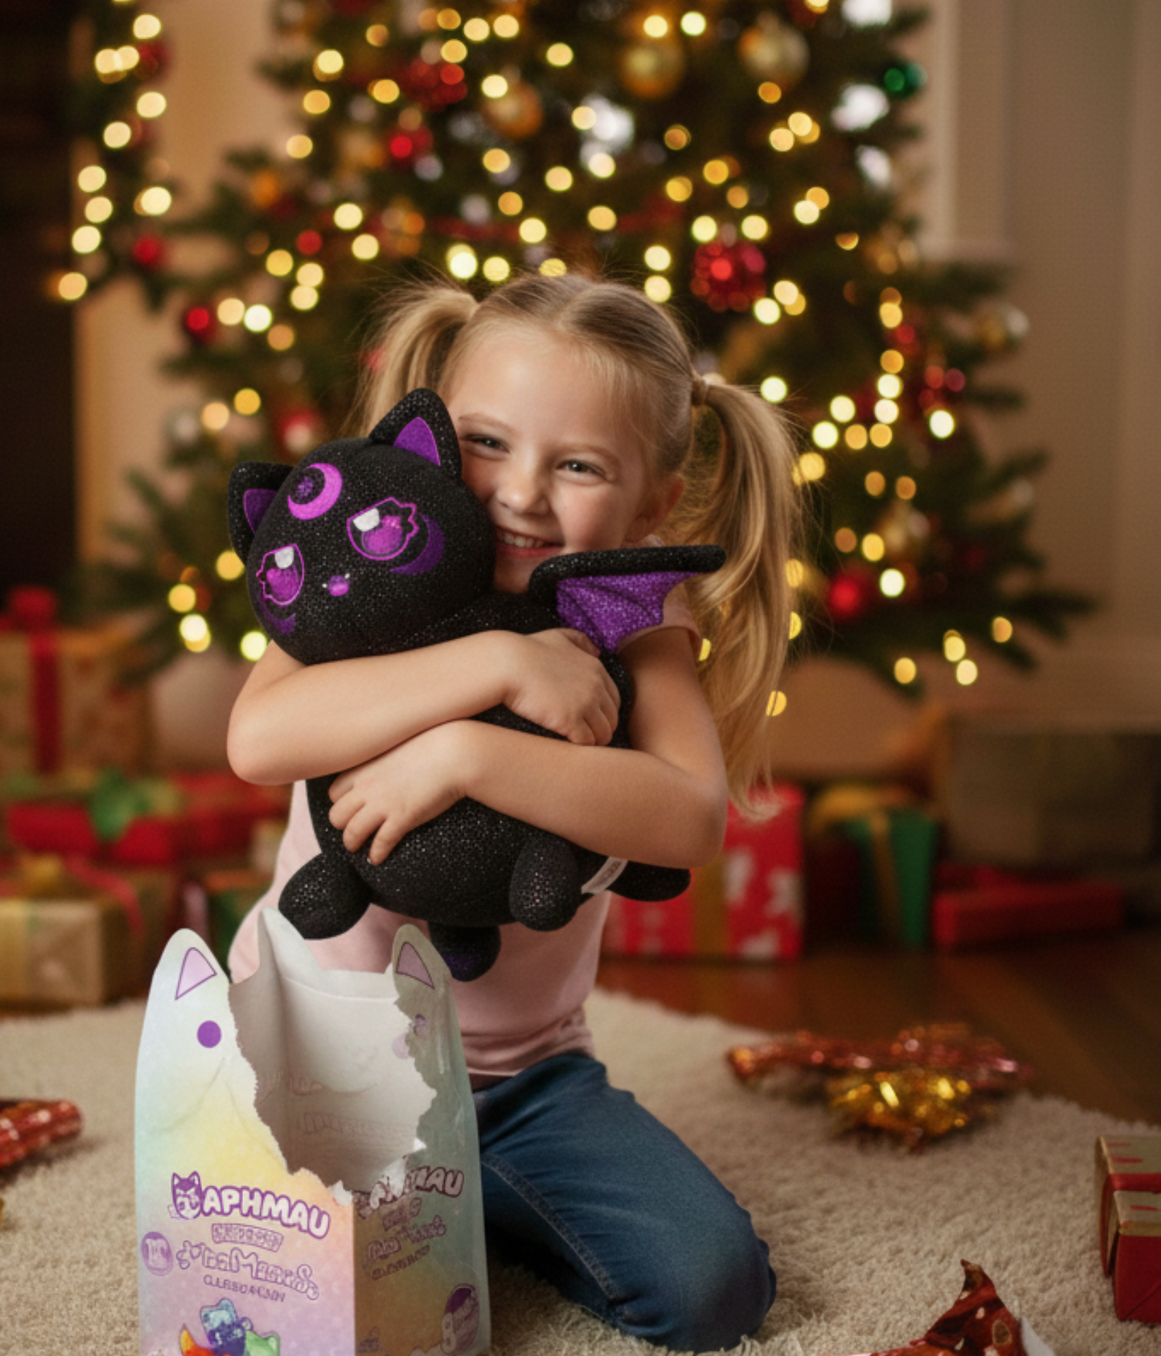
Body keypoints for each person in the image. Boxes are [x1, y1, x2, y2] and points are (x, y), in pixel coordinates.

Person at [225, 271, 799, 1352]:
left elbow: (685, 817)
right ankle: (412, 1209)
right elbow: (259, 740)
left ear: (655, 500)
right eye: (487, 442)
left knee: (714, 1288)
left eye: (577, 464)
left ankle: (460, 1200)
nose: (518, 494)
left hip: (519, 1086)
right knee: (308, 1307)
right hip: (317, 1056)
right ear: (436, 428)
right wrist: (494, 660)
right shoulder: (368, 553)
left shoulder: (632, 615)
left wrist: (464, 754)